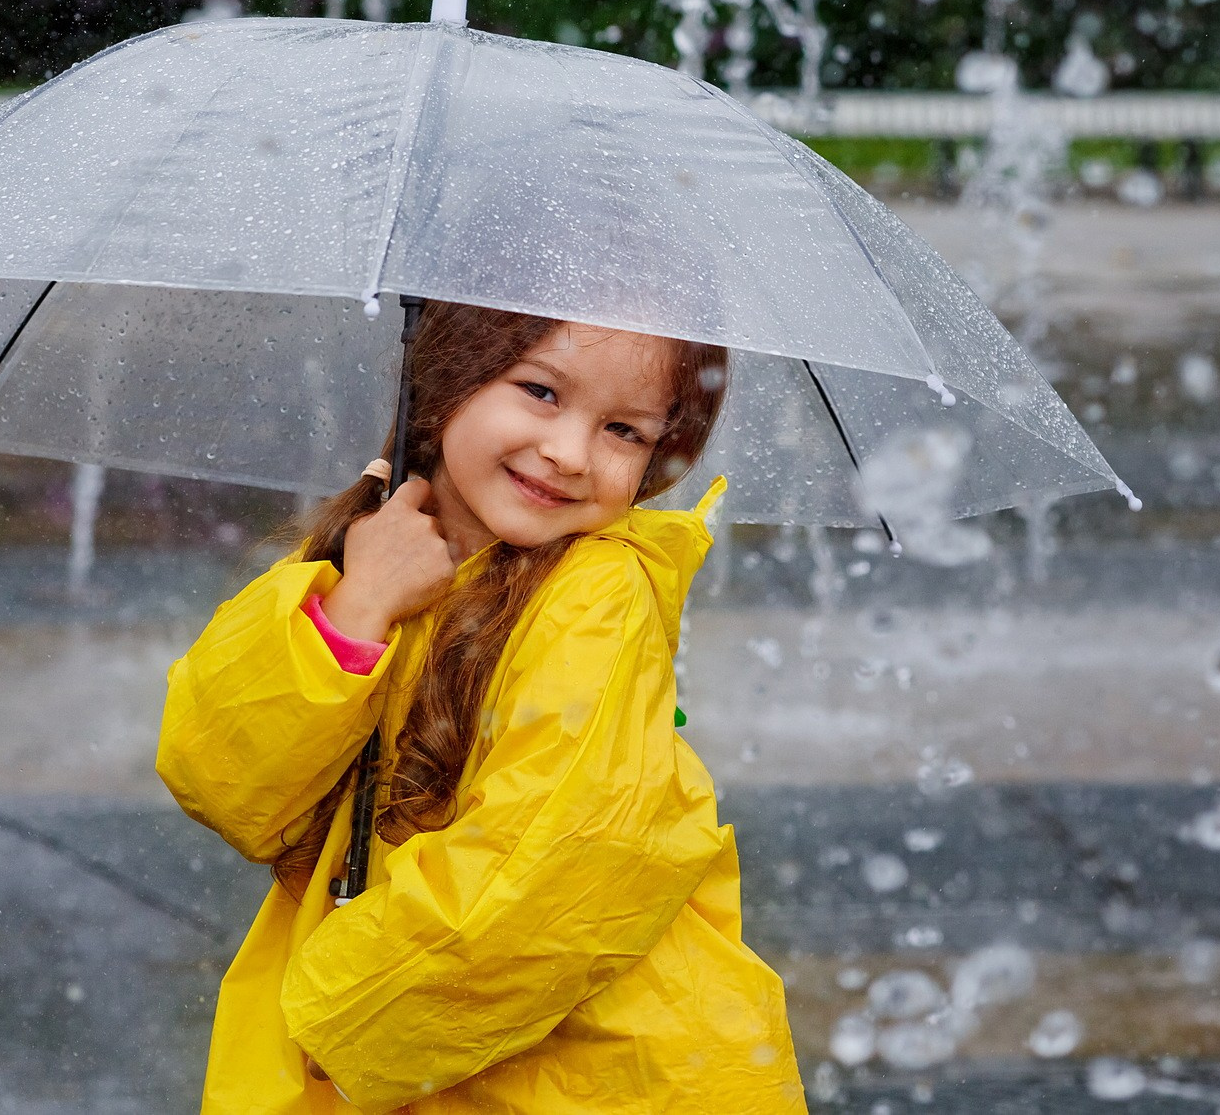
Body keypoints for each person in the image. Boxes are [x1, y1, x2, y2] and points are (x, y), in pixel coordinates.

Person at [157, 301, 807, 1114]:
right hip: (393, 1046)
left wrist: (358, 1017)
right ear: (446, 375)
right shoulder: (364, 552)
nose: (569, 452)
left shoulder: (597, 598)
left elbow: (550, 863)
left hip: (577, 1072)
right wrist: (356, 611)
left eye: (625, 431)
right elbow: (223, 780)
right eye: (541, 391)